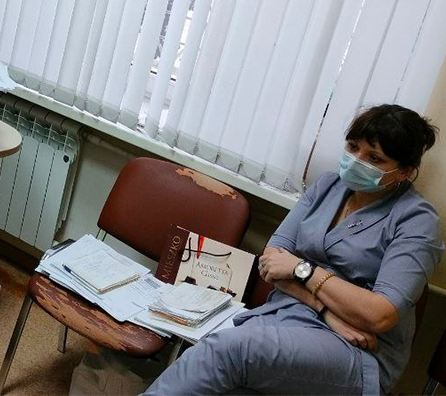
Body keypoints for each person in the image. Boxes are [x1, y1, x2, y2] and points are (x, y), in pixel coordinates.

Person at [145, 104, 443, 395]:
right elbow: (272, 262)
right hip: (295, 313)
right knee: (226, 384)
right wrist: (324, 308)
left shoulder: (416, 220)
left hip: (356, 347)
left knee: (228, 351)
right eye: (353, 147)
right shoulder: (328, 186)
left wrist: (303, 270)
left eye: (374, 158)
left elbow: (379, 315)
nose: (357, 160)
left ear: (404, 172)